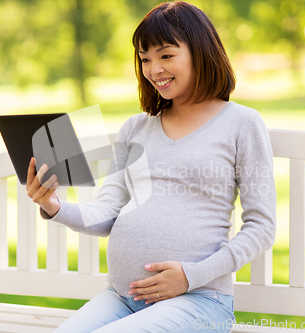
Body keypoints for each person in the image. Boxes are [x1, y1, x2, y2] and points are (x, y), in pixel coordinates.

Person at [26, 1, 276, 332]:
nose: (154, 69)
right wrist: (52, 204)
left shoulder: (242, 123)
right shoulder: (136, 128)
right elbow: (107, 212)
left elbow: (262, 226)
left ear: (200, 51)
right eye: (145, 59)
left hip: (199, 300)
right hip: (122, 297)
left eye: (166, 55)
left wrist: (190, 276)